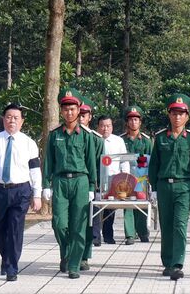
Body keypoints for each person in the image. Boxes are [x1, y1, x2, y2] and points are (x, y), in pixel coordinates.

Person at [0, 103, 42, 282]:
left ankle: (12, 267)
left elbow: (35, 171)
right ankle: (6, 259)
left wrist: (37, 195)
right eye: (8, 117)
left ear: (22, 121)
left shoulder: (29, 143)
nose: (11, 120)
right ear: (3, 119)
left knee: (15, 229)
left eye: (15, 118)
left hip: (20, 191)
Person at [148, 93, 190, 281]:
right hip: (164, 187)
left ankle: (177, 264)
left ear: (187, 116)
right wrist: (153, 188)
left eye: (181, 113)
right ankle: (168, 262)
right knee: (166, 225)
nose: (177, 117)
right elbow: (154, 164)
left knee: (180, 225)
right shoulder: (160, 138)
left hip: (184, 187)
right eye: (174, 113)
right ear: (169, 114)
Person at [42, 88, 97, 279]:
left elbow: (91, 162)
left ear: (79, 109)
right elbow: (48, 161)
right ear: (61, 110)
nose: (69, 112)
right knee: (59, 223)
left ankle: (73, 264)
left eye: (72, 109)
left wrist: (91, 186)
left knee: (78, 226)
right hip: (60, 182)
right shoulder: (55, 134)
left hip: (81, 181)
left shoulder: (87, 135)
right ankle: (67, 253)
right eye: (65, 109)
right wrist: (45, 185)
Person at [98, 115, 135, 245]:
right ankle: (95, 236)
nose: (105, 129)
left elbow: (124, 160)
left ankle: (108, 236)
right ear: (98, 127)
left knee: (110, 209)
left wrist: (126, 177)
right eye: (102, 126)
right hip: (98, 179)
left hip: (114, 180)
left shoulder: (118, 141)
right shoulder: (94, 139)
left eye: (108, 126)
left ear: (112, 127)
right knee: (96, 208)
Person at [79, 96, 105, 271]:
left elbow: (99, 164)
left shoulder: (96, 139)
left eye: (84, 114)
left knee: (87, 221)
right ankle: (69, 253)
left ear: (90, 117)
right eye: (79, 114)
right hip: (69, 184)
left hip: (89, 185)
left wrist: (96, 187)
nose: (80, 117)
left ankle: (84, 256)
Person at [120, 106, 152, 242]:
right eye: (131, 120)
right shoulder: (121, 140)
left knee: (141, 203)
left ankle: (143, 232)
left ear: (140, 122)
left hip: (141, 176)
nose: (133, 122)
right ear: (127, 122)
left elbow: (150, 159)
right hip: (126, 177)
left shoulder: (146, 140)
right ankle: (130, 235)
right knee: (127, 204)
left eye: (136, 119)